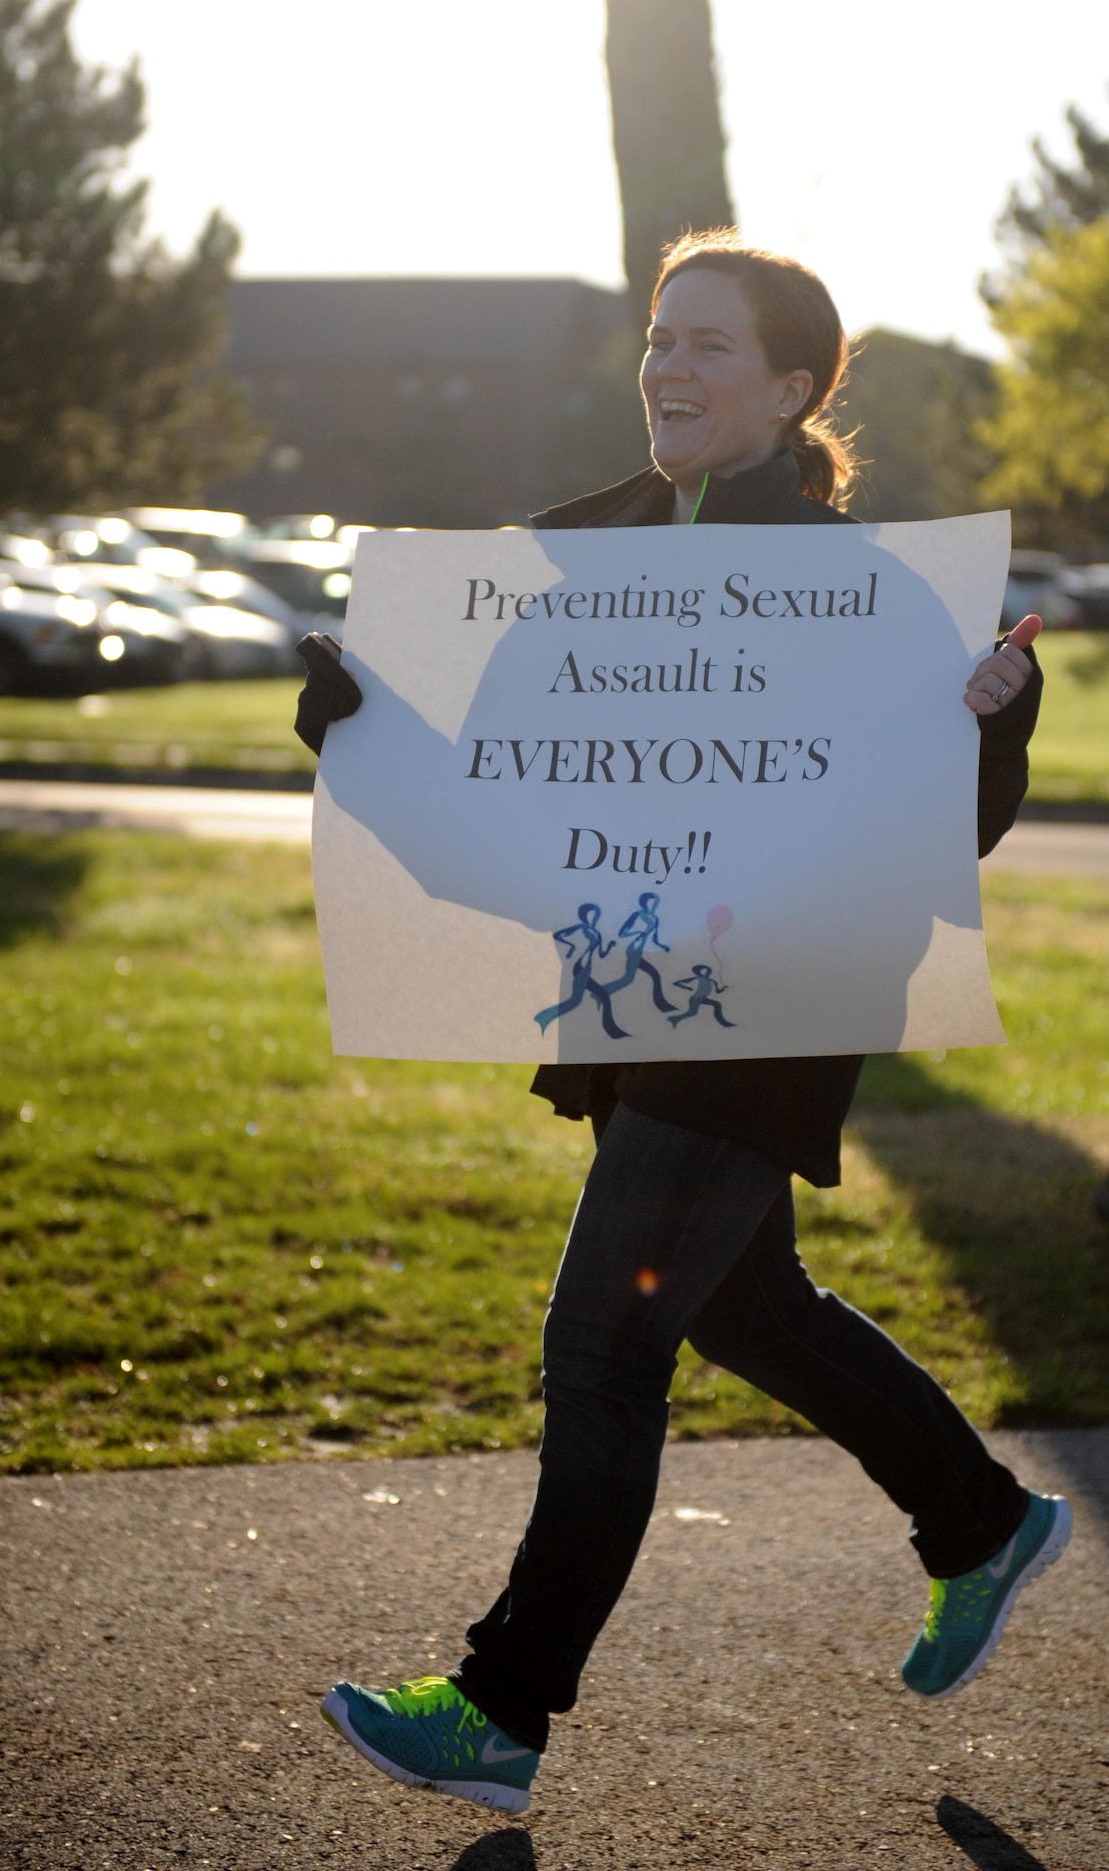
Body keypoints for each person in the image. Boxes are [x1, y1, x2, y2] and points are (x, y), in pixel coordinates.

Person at [297, 232, 1070, 1818]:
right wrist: (364, 735)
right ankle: (978, 1519)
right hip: (636, 981)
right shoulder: (582, 550)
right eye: (660, 338)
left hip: (769, 1004)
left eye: (710, 347)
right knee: (749, 1306)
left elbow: (950, 831)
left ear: (793, 393)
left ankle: (502, 1709)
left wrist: (999, 734)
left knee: (603, 1349)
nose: (669, 367)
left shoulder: (862, 592)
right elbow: (502, 784)